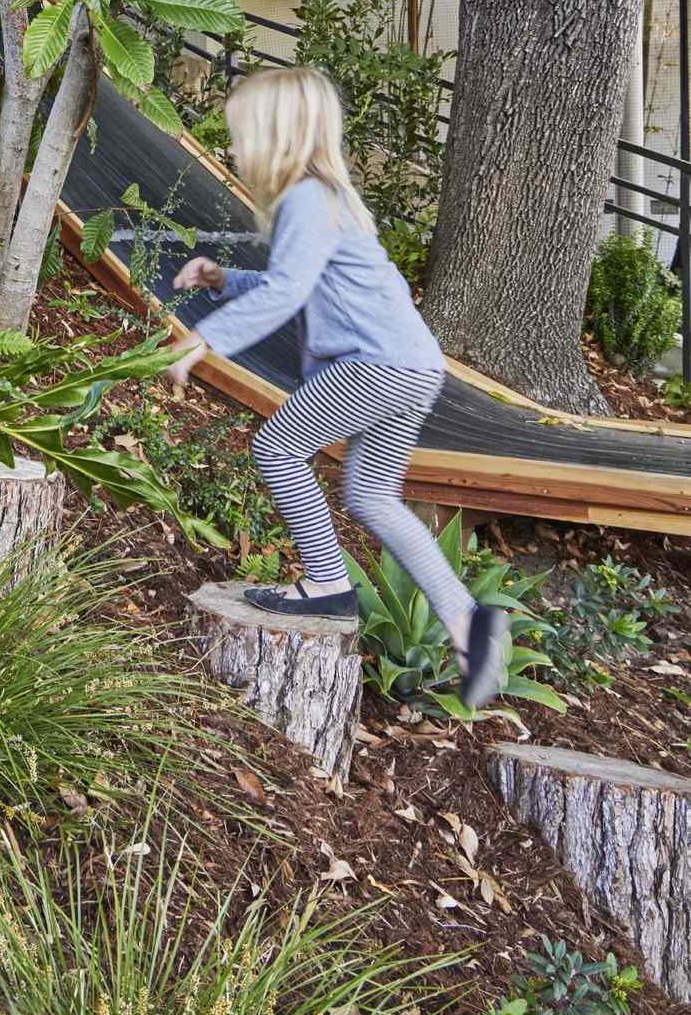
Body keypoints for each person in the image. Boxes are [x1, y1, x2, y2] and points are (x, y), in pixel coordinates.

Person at [167, 64, 508, 713]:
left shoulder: (304, 198)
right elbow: (302, 281)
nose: (234, 149)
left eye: (241, 135)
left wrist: (204, 339)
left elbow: (290, 289)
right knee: (372, 494)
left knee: (275, 447)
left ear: (276, 135)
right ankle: (469, 623)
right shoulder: (327, 198)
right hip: (413, 365)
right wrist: (222, 279)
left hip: (375, 365)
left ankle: (326, 579)